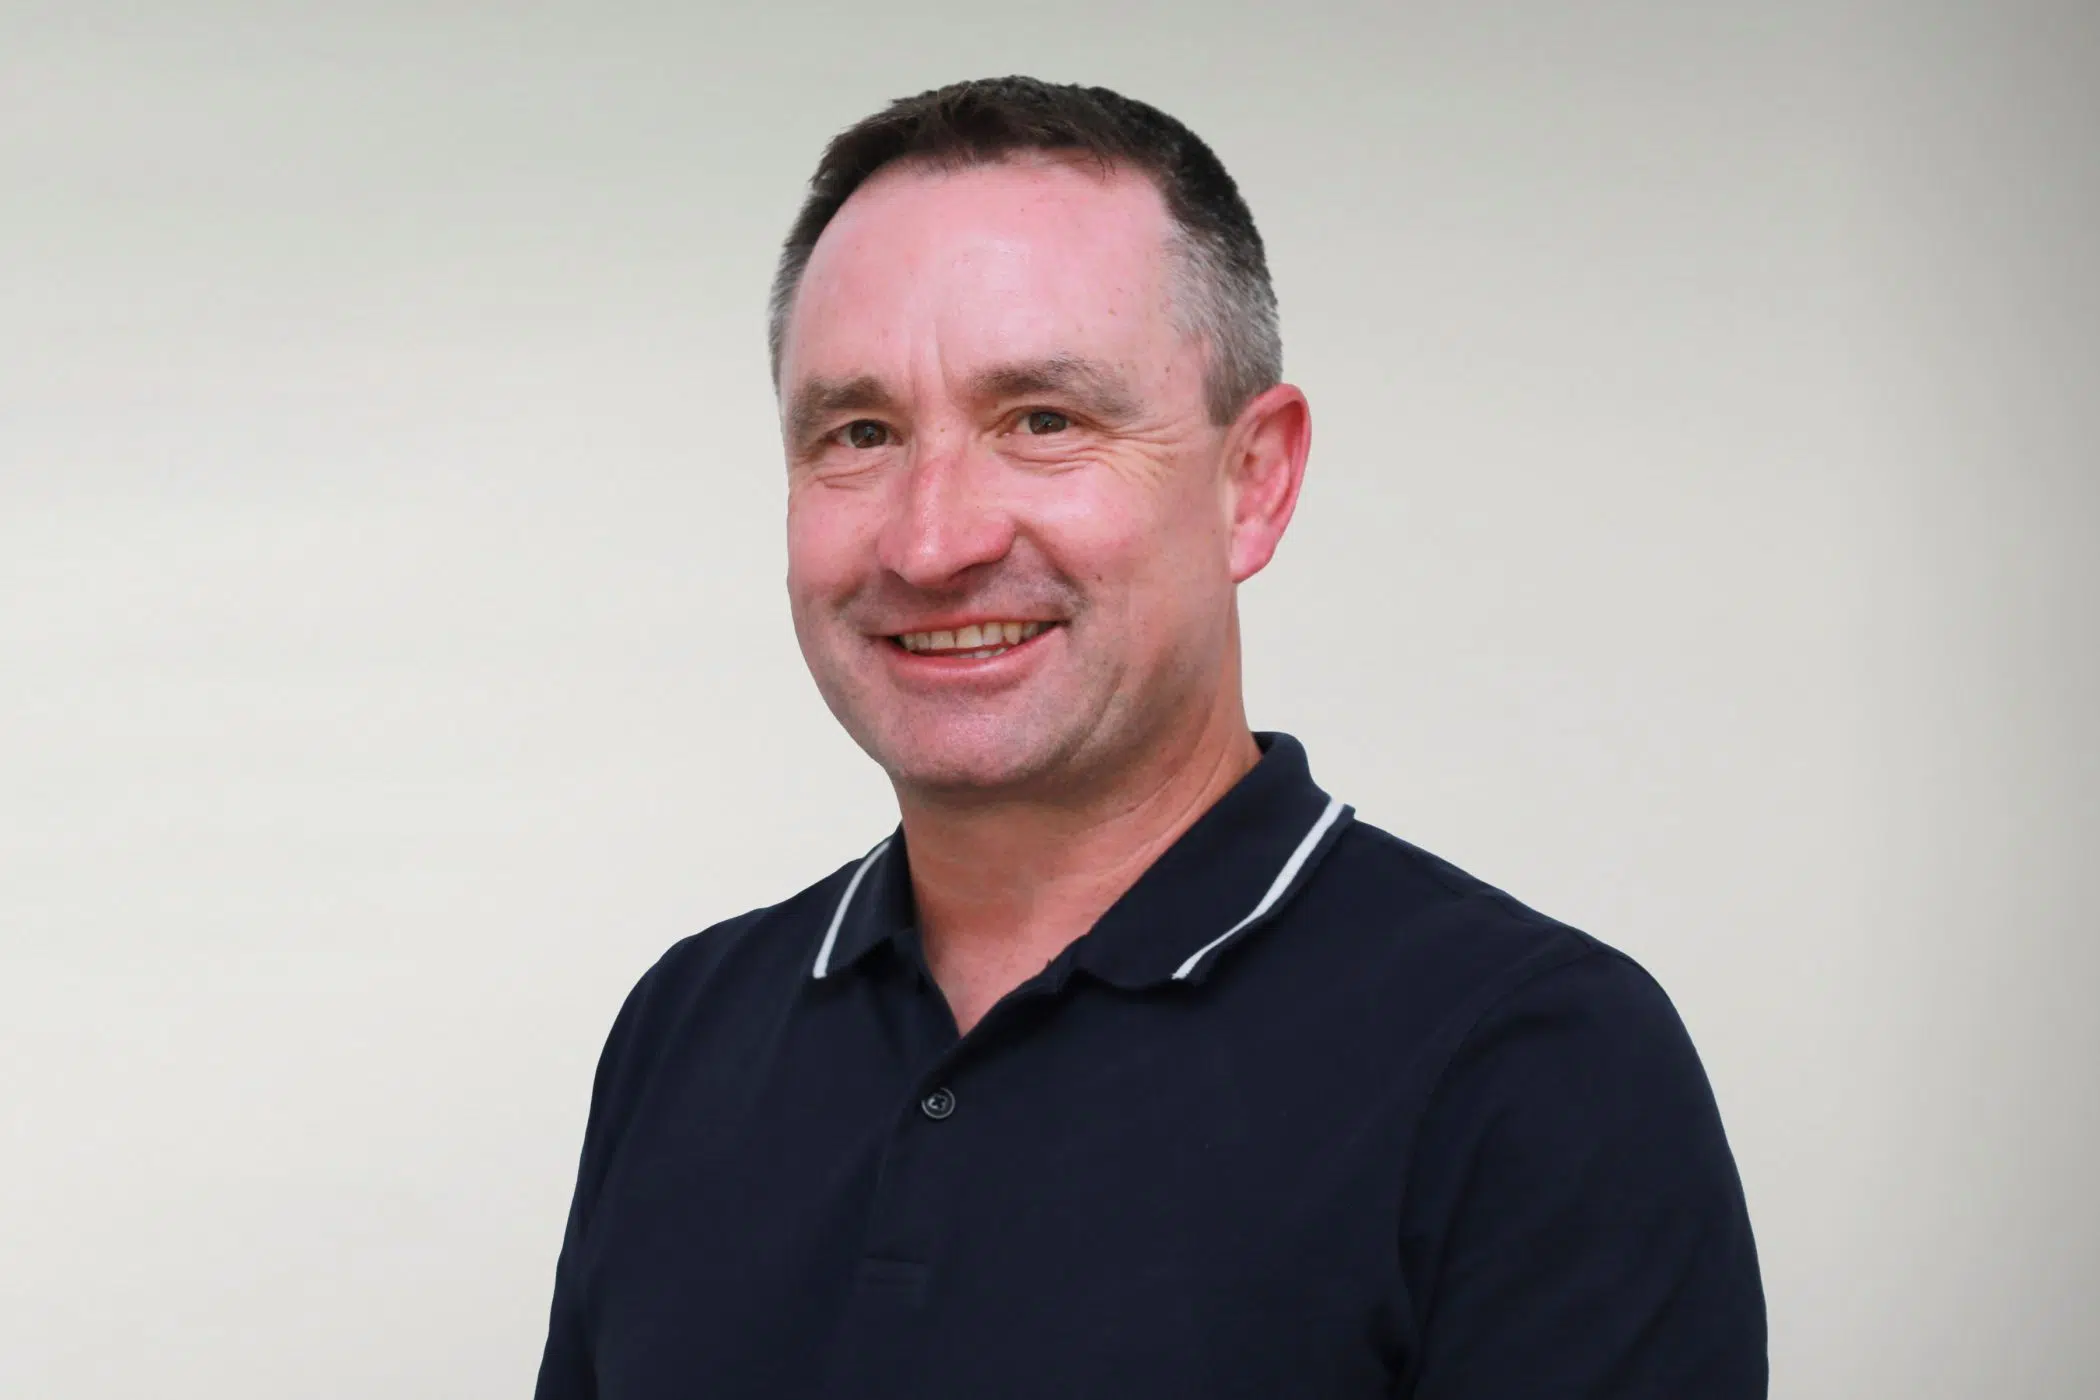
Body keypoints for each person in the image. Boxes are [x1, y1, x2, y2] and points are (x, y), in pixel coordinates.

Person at [533, 76, 1765, 1399]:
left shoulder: (1534, 1069)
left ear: (1255, 480)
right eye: (861, 433)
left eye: (1043, 421)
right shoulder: (685, 1032)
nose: (931, 541)